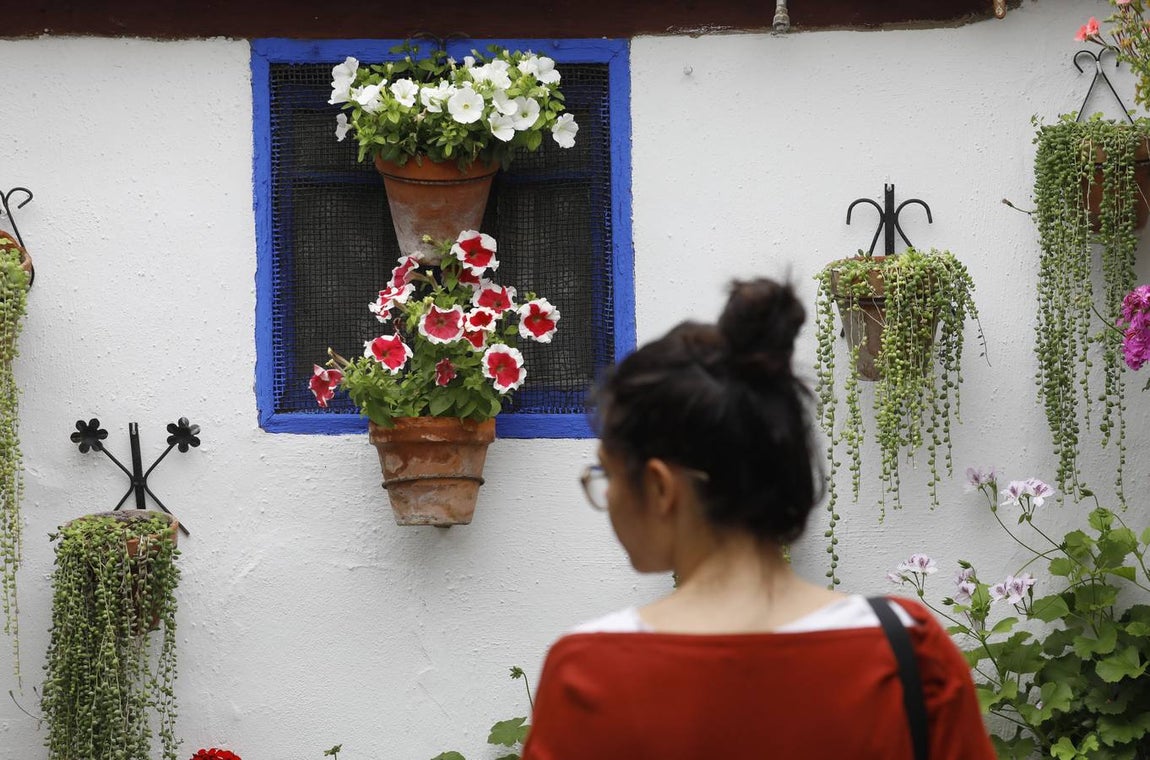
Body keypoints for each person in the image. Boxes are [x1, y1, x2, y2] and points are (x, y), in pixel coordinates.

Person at [519, 278, 995, 759]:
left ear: (662, 488)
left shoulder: (590, 673)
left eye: (607, 472)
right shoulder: (908, 653)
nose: (606, 495)